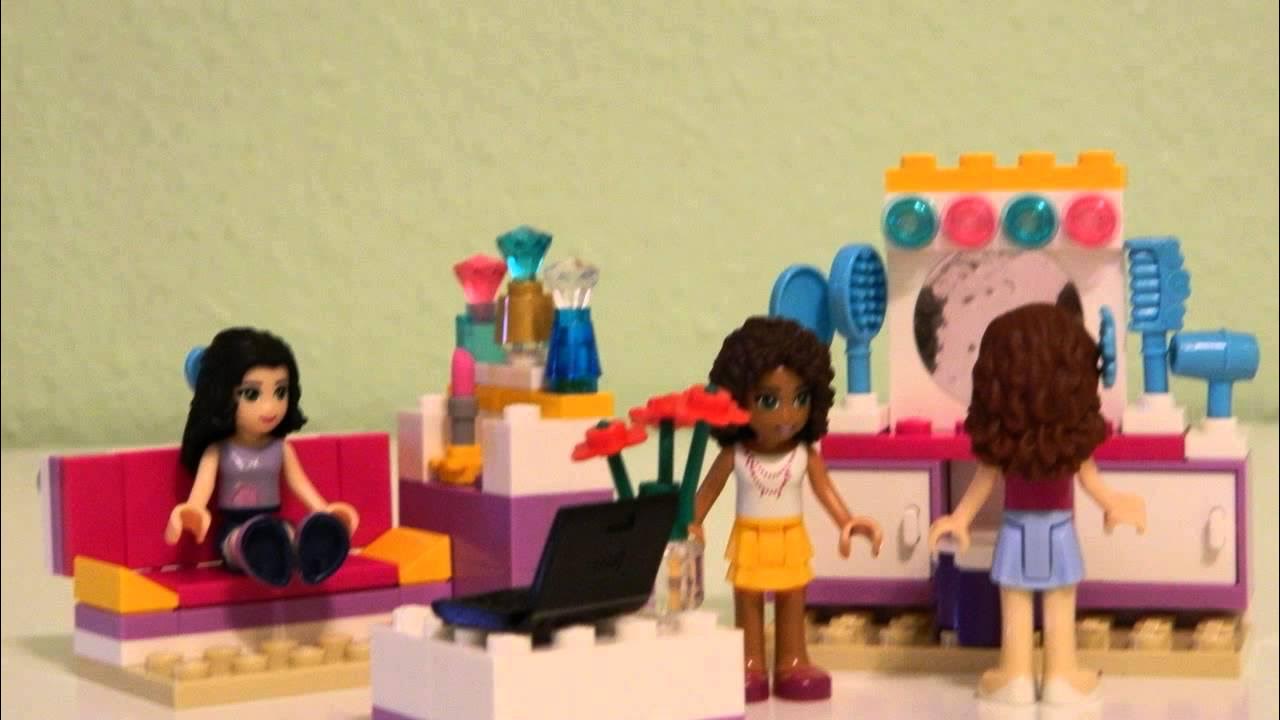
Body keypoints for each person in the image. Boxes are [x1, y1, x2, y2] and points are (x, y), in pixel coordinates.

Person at [929, 303, 1146, 705]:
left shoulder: (1006, 444)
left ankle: (1014, 677)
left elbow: (983, 480)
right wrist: (1113, 503)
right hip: (1059, 531)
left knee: (1016, 600)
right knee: (1059, 600)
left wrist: (960, 518)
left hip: (1016, 530)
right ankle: (1062, 676)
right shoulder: (1070, 443)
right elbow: (1091, 481)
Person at [689, 316, 883, 703]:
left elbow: (826, 491)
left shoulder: (804, 455)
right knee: (748, 599)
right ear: (737, 399)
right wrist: (691, 521)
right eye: (768, 400)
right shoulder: (735, 454)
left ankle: (792, 661)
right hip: (750, 535)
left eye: (800, 399)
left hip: (790, 535)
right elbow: (707, 491)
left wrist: (848, 522)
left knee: (793, 597)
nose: (787, 415)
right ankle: (749, 663)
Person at [166, 327, 359, 587]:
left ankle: (311, 555)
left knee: (289, 534)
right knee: (241, 542)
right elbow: (201, 491)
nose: (270, 407)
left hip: (274, 524)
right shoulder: (219, 450)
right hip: (234, 529)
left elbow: (300, 484)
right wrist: (194, 509)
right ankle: (256, 550)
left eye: (280, 392)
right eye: (251, 394)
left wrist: (325, 511)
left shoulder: (281, 449)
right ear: (221, 396)